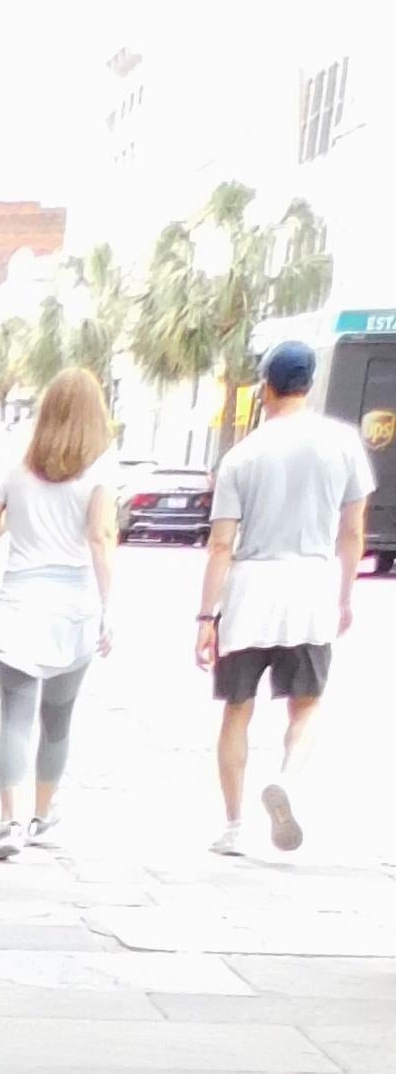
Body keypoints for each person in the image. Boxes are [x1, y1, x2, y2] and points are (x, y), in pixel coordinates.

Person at [200, 336, 370, 853]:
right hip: (311, 585)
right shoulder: (343, 443)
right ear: (310, 383)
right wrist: (344, 595)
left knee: (237, 708)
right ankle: (288, 779)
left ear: (267, 387)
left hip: (252, 588)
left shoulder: (242, 454)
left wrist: (206, 617)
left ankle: (232, 828)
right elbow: (353, 531)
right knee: (307, 705)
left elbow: (222, 542)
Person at [0, 364, 118, 859]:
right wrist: (109, 608)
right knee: (58, 718)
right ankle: (41, 815)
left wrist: (20, 513)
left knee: (14, 717)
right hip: (74, 602)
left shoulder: (13, 462)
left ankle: (7, 822)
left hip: (19, 600)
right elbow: (98, 539)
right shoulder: (100, 467)